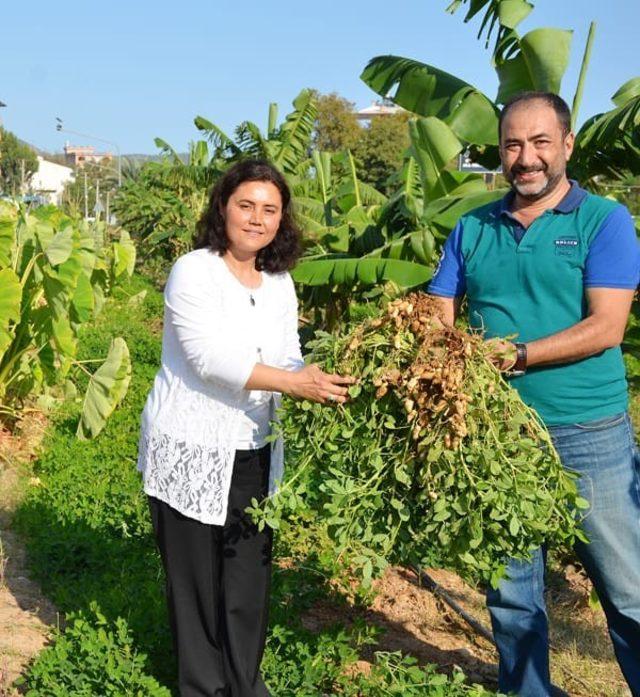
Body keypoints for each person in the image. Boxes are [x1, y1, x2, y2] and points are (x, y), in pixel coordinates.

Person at [428, 91, 640, 696]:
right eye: (513, 144)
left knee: (628, 588)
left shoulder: (603, 220)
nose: (526, 157)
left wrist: (517, 356)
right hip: (499, 432)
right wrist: (438, 352)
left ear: (567, 146)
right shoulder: (472, 227)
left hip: (588, 430)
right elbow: (440, 307)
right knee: (512, 593)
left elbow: (607, 326)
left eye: (540, 142)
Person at [137, 159, 353, 697]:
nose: (256, 219)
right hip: (191, 444)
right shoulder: (194, 270)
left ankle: (244, 683)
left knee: (247, 579)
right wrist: (293, 382)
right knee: (196, 586)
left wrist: (321, 381)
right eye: (246, 205)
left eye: (270, 209)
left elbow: (288, 354)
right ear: (223, 208)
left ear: (282, 220)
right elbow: (209, 359)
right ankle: (203, 688)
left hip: (253, 448)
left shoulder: (279, 282)